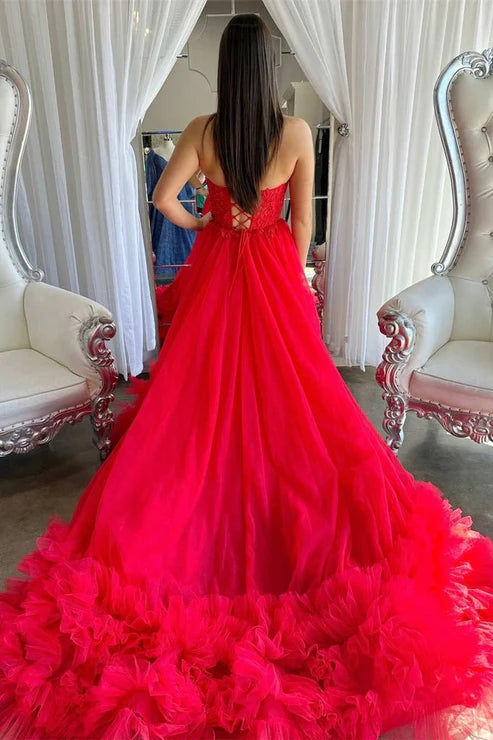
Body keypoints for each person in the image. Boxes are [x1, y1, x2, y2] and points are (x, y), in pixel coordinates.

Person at [0, 13, 492, 740]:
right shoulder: (294, 134)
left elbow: (163, 200)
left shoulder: (203, 129)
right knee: (296, 399)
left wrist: (202, 224)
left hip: (215, 274)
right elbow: (304, 227)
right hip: (271, 272)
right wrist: (292, 276)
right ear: (269, 69)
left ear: (227, 71)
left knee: (195, 399)